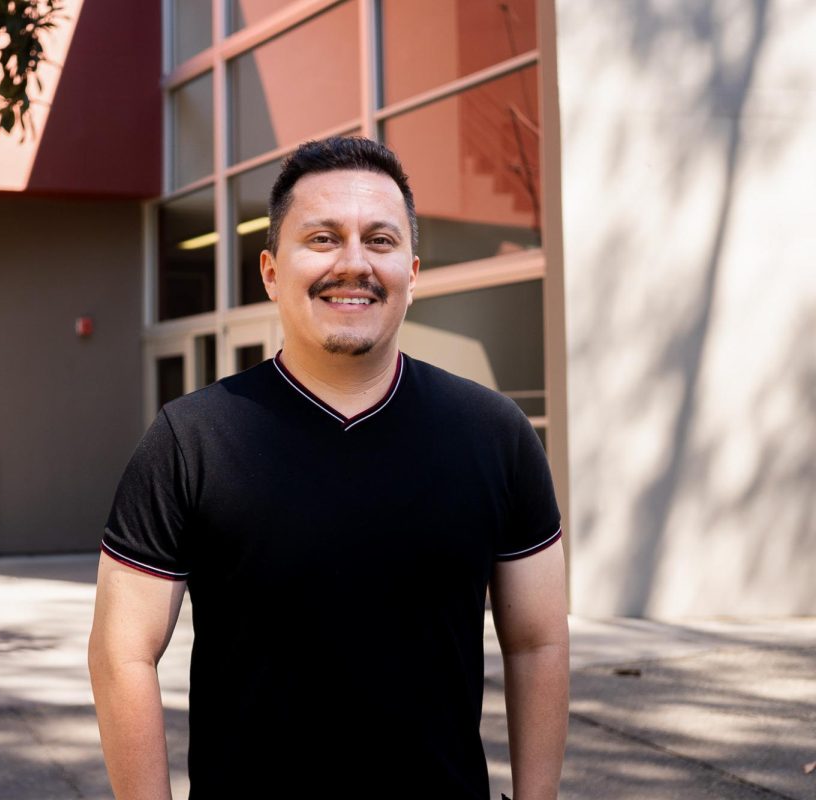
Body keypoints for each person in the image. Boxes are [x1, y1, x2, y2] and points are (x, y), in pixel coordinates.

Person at [88, 136, 569, 799]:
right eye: (322, 238)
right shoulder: (189, 440)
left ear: (413, 268)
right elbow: (122, 653)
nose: (353, 263)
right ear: (269, 270)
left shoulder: (495, 435)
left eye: (379, 240)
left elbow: (538, 641)